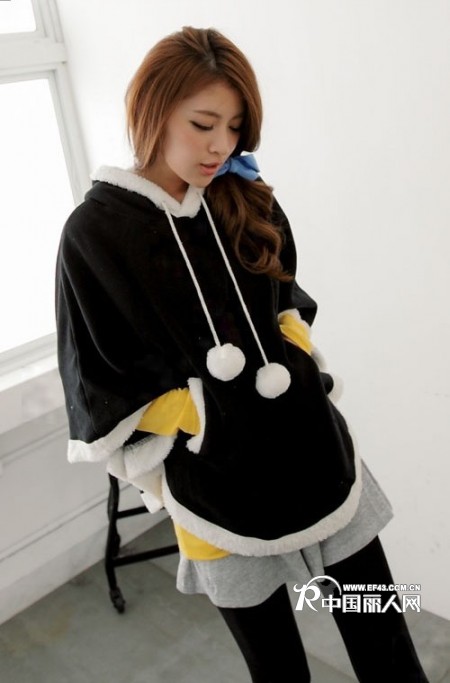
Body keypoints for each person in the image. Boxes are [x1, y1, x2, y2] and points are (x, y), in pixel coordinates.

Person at [55, 26, 429, 683]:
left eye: (233, 127)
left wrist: (298, 360)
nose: (221, 146)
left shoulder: (243, 195)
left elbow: (286, 297)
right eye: (203, 124)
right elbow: (98, 369)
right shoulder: (96, 233)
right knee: (279, 670)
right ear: (152, 109)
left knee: (386, 644)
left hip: (317, 456)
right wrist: (201, 414)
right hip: (215, 491)